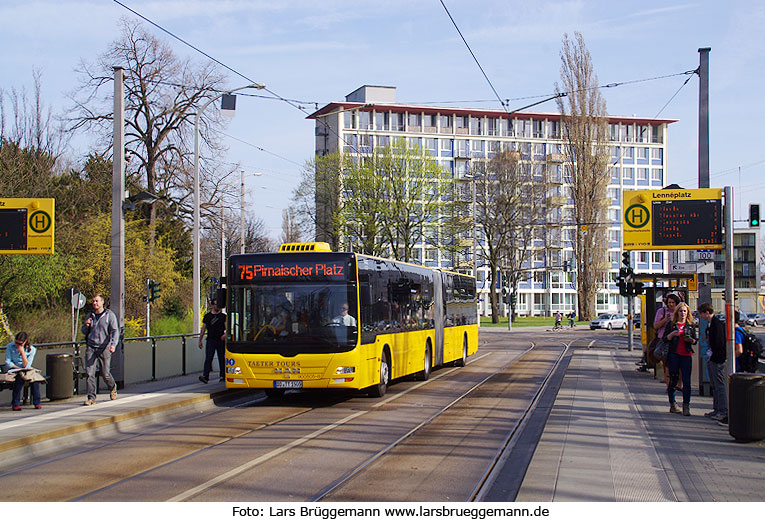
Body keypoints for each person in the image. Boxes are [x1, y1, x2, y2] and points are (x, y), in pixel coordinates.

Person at [81, 294, 119, 405]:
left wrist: (113, 344)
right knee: (89, 373)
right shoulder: (90, 315)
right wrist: (86, 325)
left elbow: (114, 331)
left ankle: (112, 386)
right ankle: (91, 397)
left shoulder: (109, 315)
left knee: (105, 373)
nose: (95, 303)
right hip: (91, 346)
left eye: (97, 301)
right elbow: (84, 331)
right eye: (93, 301)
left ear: (102, 302)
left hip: (104, 347)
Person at [664, 302, 697, 416]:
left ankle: (686, 405)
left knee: (686, 381)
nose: (682, 313)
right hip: (674, 354)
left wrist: (691, 340)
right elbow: (665, 339)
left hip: (686, 355)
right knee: (673, 379)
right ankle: (672, 404)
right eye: (680, 311)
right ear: (676, 312)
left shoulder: (690, 325)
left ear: (687, 313)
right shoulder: (671, 324)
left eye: (684, 311)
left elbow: (695, 340)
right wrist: (672, 334)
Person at [696, 303, 727, 424]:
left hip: (717, 359)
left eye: (701, 314)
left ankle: (722, 410)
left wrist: (713, 356)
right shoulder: (711, 324)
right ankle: (717, 408)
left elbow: (718, 343)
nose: (700, 316)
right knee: (715, 385)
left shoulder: (716, 325)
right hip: (712, 357)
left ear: (707, 312)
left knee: (719, 385)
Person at [5, 332, 42, 411]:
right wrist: (17, 368)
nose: (17, 345)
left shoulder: (32, 349)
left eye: (20, 343)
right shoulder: (10, 347)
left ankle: (37, 402)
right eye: (16, 343)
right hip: (14, 369)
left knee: (35, 381)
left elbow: (27, 365)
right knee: (19, 379)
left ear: (25, 341)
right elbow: (8, 362)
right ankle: (16, 403)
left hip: (26, 370)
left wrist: (22, 353)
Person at [652, 293, 680, 387]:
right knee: (666, 363)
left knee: (678, 363)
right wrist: (665, 320)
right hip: (663, 340)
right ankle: (668, 385)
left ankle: (679, 384)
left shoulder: (680, 311)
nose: (671, 304)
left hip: (677, 340)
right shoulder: (662, 311)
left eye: (673, 302)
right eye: (669, 302)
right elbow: (655, 326)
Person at [198, 298, 226, 383]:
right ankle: (205, 376)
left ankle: (223, 375)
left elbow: (227, 327)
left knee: (221, 358)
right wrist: (200, 340)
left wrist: (225, 334)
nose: (217, 306)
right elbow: (203, 329)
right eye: (215, 304)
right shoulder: (207, 316)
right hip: (211, 340)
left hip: (220, 340)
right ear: (212, 306)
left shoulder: (223, 316)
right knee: (208, 358)